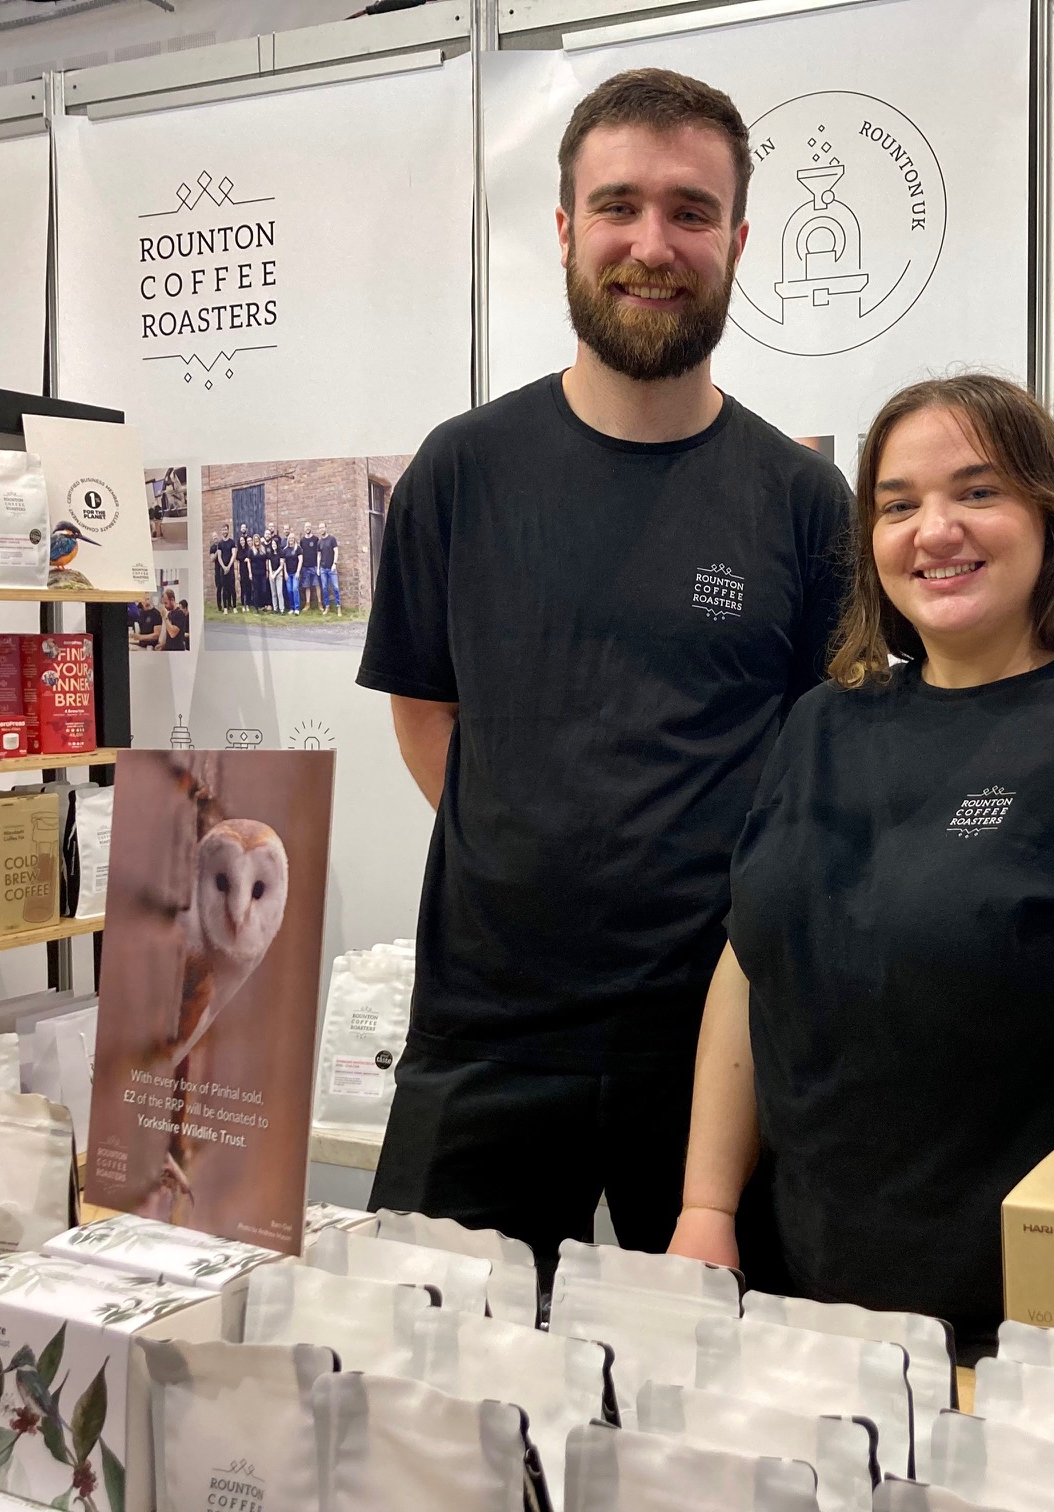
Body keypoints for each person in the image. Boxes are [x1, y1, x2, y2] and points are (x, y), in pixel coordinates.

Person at [356, 69, 851, 1270]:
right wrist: (535, 858)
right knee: (427, 1361)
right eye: (618, 206)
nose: (653, 245)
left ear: (738, 243)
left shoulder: (801, 501)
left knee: (732, 1373)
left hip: (721, 1043)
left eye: (691, 212)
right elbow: (426, 710)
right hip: (486, 1032)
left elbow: (821, 763)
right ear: (567, 229)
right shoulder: (461, 473)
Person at [666, 373, 1054, 1365]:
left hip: (1017, 1335)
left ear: (1051, 516)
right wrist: (705, 1209)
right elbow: (748, 965)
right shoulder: (821, 724)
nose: (935, 530)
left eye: (978, 492)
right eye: (898, 506)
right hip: (788, 1310)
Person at [318, 527, 342, 613]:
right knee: (324, 588)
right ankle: (327, 606)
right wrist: (318, 568)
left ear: (326, 528)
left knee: (336, 587)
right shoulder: (319, 542)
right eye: (320, 528)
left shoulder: (332, 539)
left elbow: (336, 551)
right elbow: (319, 556)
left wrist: (334, 564)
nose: (321, 529)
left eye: (323, 527)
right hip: (323, 569)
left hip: (332, 568)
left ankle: (338, 606)